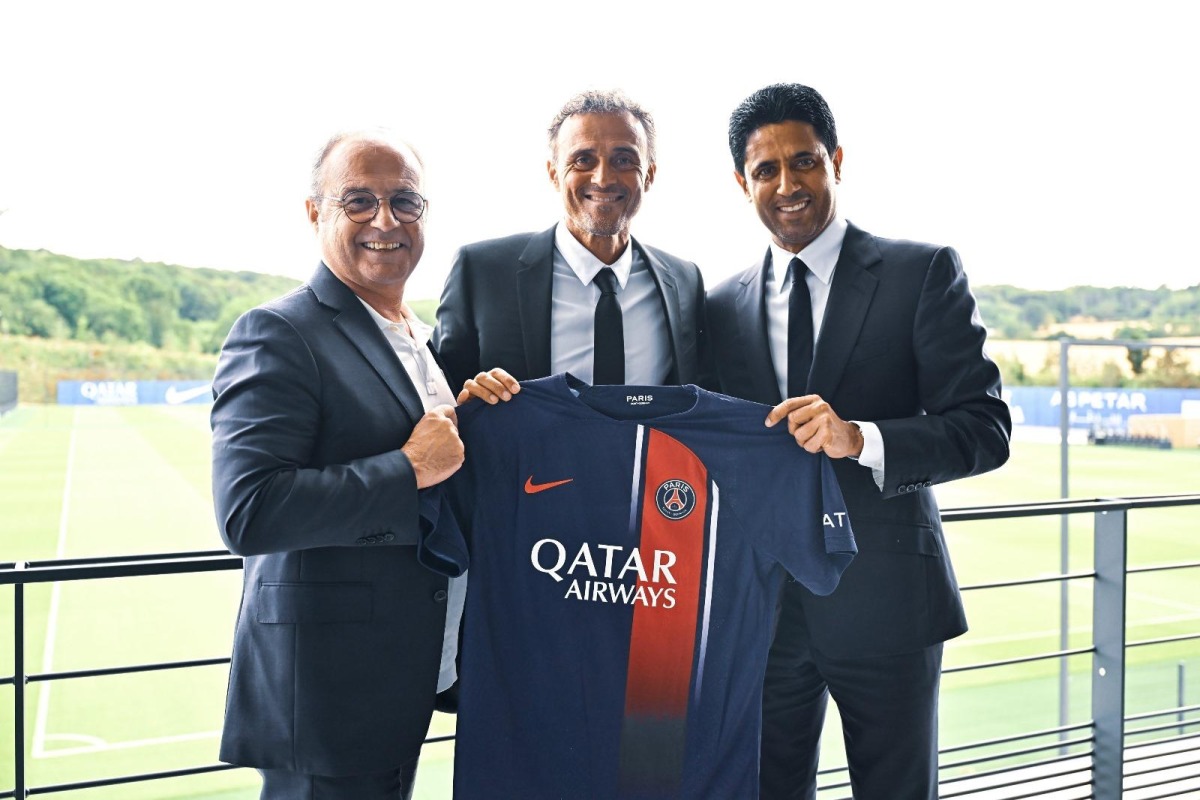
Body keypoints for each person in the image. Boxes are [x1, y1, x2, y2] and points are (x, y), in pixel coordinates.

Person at [706, 84, 1012, 799]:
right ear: (742, 183)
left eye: (805, 162)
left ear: (836, 161)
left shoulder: (922, 272)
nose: (788, 185)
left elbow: (986, 428)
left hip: (888, 606)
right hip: (763, 615)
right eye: (766, 170)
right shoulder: (719, 304)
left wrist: (861, 439)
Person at [210, 129, 467, 800]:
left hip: (402, 681)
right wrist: (407, 468)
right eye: (358, 201)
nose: (385, 220)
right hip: (326, 701)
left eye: (404, 201)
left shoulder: (421, 339)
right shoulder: (279, 331)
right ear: (314, 212)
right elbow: (249, 511)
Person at [434, 89, 710, 398]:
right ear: (554, 173)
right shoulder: (481, 271)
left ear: (649, 175)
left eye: (623, 160)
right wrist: (466, 399)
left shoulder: (684, 281)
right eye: (583, 160)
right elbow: (441, 393)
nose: (603, 179)